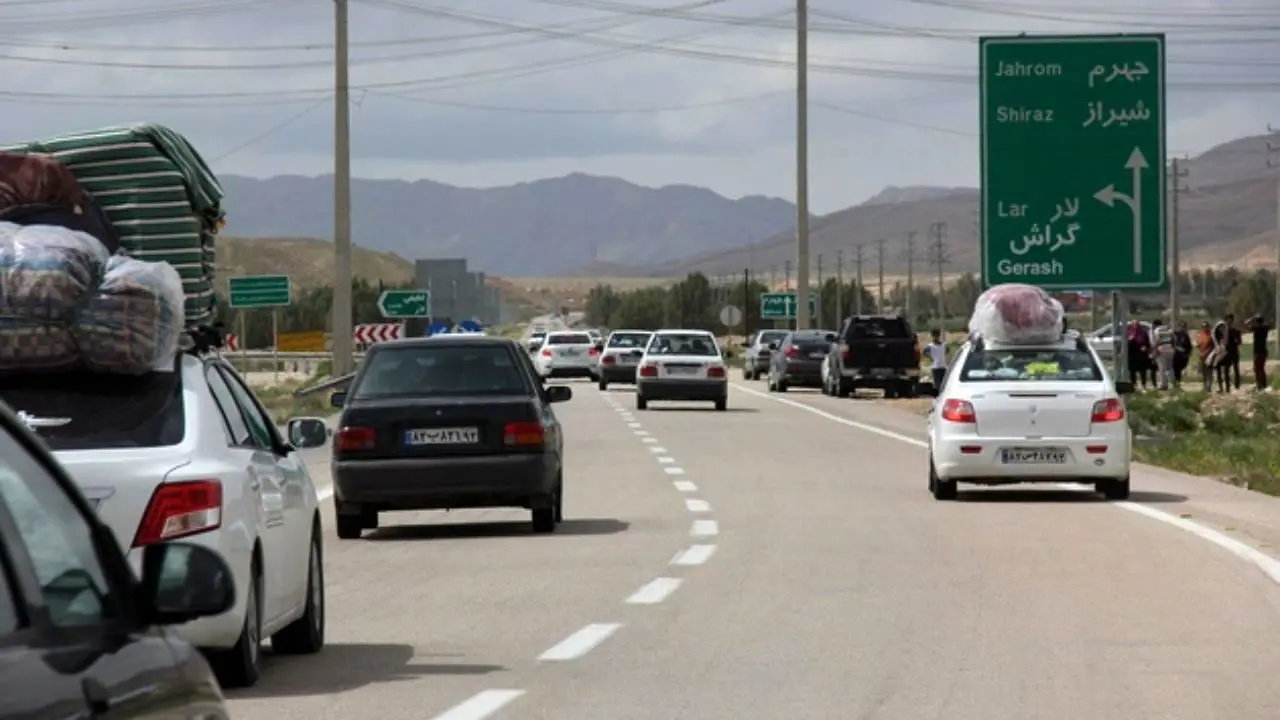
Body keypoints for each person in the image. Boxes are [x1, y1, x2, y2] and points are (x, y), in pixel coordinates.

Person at [1125, 318, 1152, 389]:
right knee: (1132, 371)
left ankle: (1143, 385)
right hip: (1132, 354)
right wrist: (1129, 340)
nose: (1135, 325)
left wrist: (1146, 347)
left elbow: (1147, 343)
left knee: (1142, 370)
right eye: (1134, 324)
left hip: (1141, 355)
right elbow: (1125, 345)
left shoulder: (1143, 333)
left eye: (1136, 324)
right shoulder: (1128, 332)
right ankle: (1134, 385)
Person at [1247, 313, 1270, 390]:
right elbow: (1267, 324)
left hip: (1257, 351)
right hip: (1263, 350)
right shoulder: (1265, 328)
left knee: (1256, 369)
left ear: (1256, 321)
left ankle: (1259, 385)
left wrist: (1252, 318)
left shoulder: (1256, 328)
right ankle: (1264, 384)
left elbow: (1246, 323)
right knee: (1262, 368)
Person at [1151, 319, 1175, 390]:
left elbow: (1154, 342)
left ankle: (1163, 385)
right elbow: (1173, 339)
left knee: (1162, 368)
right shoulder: (1168, 329)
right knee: (1170, 368)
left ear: (1155, 325)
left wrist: (1154, 352)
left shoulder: (1156, 331)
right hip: (1170, 349)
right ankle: (1172, 384)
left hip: (1161, 350)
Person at [1172, 320, 1192, 388]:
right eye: (1181, 326)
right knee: (1175, 370)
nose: (1183, 328)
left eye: (1184, 326)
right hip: (1176, 355)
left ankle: (1177, 383)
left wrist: (1188, 354)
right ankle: (1176, 384)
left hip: (1183, 356)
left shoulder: (1186, 336)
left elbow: (1189, 346)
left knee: (1179, 370)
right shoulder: (1176, 334)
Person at [1197, 321, 1215, 392]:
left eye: (1206, 326)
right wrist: (1200, 353)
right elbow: (1198, 345)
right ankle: (1204, 386)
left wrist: (1207, 352)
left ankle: (1209, 386)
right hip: (1202, 355)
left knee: (1209, 371)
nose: (1204, 328)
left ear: (1208, 326)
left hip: (1210, 355)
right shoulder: (1200, 334)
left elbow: (1213, 345)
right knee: (1203, 372)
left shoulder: (1211, 334)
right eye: (1203, 326)